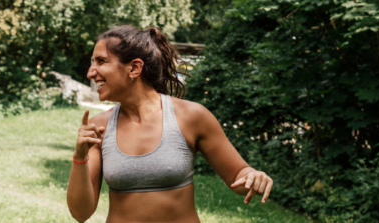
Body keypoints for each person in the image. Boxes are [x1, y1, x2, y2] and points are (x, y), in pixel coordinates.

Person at [66, 25, 274, 222]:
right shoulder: (99, 127)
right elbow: (80, 213)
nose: (91, 72)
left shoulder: (191, 116)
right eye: (93, 62)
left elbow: (238, 175)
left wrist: (252, 176)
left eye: (101, 61)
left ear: (135, 68)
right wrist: (80, 157)